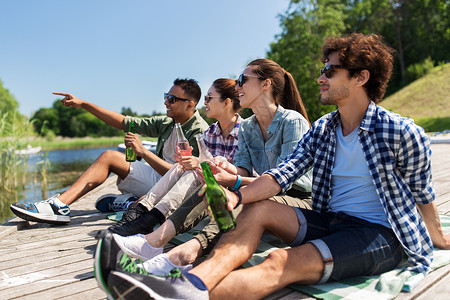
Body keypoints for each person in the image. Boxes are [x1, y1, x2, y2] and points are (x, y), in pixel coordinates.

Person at [102, 33, 450, 299]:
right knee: (257, 210)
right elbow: (282, 175)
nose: (320, 78)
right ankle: (191, 281)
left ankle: (177, 293)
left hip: (376, 233)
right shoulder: (324, 128)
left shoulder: (401, 131)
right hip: (329, 219)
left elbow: (423, 194)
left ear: (361, 78)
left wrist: (437, 239)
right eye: (322, 70)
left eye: (330, 70)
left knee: (279, 263)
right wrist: (237, 198)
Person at [95, 58, 313, 288]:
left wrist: (236, 179)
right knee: (208, 180)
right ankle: (153, 242)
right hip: (263, 190)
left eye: (243, 80)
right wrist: (225, 167)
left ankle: (180, 255)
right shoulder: (249, 127)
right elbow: (243, 168)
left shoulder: (292, 122)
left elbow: (287, 181)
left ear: (265, 84)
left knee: (243, 200)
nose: (237, 86)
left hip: (297, 199)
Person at [10, 78, 209, 225]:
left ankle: (128, 202)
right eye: (166, 97)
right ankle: (59, 205)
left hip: (175, 189)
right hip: (158, 179)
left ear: (190, 104)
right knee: (109, 157)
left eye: (172, 99)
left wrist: (144, 152)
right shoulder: (167, 122)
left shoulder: (199, 131)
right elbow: (124, 122)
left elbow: (185, 178)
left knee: (141, 205)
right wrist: (84, 104)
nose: (166, 102)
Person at [107, 78, 243, 235]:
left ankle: (149, 218)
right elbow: (207, 165)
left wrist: (198, 163)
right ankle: (140, 210)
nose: (204, 102)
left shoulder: (245, 131)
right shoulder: (210, 132)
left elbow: (240, 170)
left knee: (193, 171)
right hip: (208, 184)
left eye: (209, 98)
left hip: (229, 190)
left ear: (226, 103)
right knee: (182, 166)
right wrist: (192, 161)